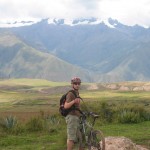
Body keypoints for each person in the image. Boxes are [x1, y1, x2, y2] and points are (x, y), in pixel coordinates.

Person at [64, 77, 83, 150]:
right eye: (75, 83)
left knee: (78, 136)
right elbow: (66, 106)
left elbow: (77, 106)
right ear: (72, 84)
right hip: (72, 117)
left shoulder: (77, 93)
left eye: (79, 83)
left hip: (76, 117)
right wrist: (73, 101)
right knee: (71, 138)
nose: (77, 85)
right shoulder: (70, 94)